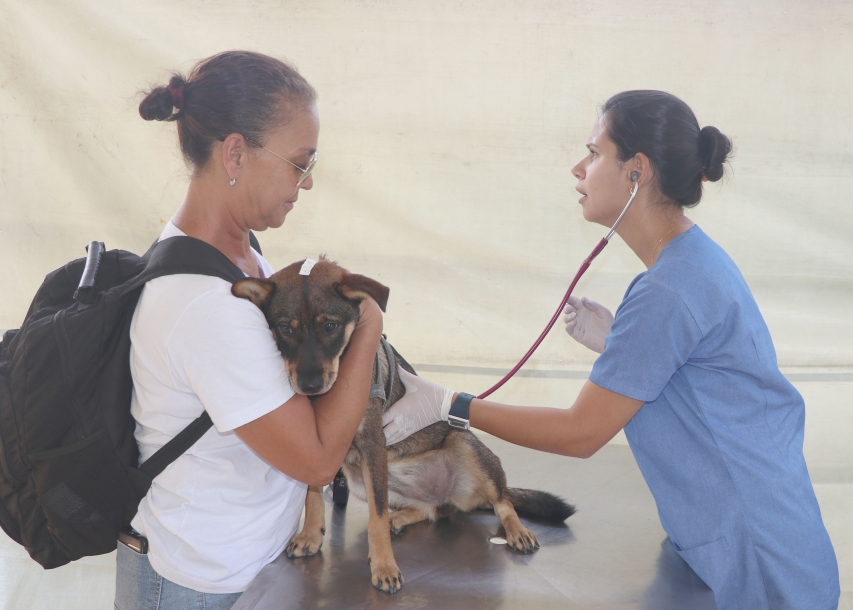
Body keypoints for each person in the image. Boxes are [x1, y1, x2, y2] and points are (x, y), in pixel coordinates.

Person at [381, 90, 840, 609]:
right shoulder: (694, 261)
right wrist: (622, 342)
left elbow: (580, 434)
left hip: (760, 561)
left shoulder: (667, 290)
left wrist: (451, 405)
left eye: (594, 152)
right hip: (766, 535)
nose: (578, 168)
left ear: (636, 171)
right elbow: (714, 382)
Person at [116, 51, 383, 610]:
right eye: (299, 164)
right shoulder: (204, 302)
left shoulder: (237, 256)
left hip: (239, 567)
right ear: (235, 153)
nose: (307, 182)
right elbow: (317, 462)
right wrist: (368, 322)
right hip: (195, 585)